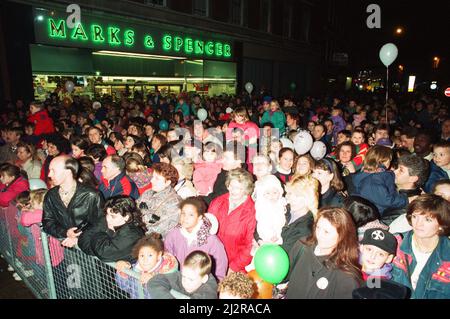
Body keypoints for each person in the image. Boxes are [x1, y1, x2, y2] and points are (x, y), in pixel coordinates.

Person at [286, 207, 362, 299]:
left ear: (342, 236)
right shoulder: (302, 246)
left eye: (326, 232)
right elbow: (286, 274)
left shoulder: (346, 276)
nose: (319, 235)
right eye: (318, 227)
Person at [391, 194, 450, 299]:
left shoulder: (447, 257)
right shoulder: (395, 243)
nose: (418, 224)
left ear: (441, 225)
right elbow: (373, 278)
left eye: (427, 220)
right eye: (415, 217)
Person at [42, 156, 104, 248]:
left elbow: (100, 225)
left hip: (88, 250)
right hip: (62, 248)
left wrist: (79, 238)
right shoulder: (51, 195)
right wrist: (65, 232)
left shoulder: (92, 195)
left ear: (68, 172)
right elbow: (47, 222)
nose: (49, 174)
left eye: (53, 170)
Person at [164, 197, 228, 280]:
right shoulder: (174, 234)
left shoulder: (211, 241)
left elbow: (219, 273)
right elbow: (167, 259)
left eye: (191, 215)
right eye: (183, 213)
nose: (185, 218)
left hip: (200, 286)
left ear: (199, 217)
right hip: (177, 280)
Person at [208, 168, 256, 273]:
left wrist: (233, 267)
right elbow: (206, 229)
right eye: (231, 186)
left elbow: (250, 246)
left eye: (238, 188)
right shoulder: (217, 202)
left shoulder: (252, 212)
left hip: (235, 266)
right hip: (213, 259)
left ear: (246, 189)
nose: (233, 191)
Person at [78, 195, 146, 262]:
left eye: (113, 216)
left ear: (126, 217)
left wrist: (104, 233)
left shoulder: (132, 235)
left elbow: (103, 252)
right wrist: (96, 249)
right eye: (107, 214)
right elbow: (83, 240)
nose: (108, 219)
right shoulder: (106, 221)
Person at [115, 233, 178, 299]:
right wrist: (123, 272)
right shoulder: (135, 269)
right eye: (142, 255)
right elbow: (126, 287)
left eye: (150, 255)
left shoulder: (168, 274)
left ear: (159, 255)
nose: (145, 260)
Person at [352, 145, 408, 215]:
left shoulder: (372, 174)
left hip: (372, 212)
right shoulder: (375, 177)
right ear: (386, 160)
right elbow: (385, 200)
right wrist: (406, 199)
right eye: (390, 160)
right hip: (373, 215)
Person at [147, 250, 218, 299]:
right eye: (184, 276)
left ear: (204, 279)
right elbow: (154, 282)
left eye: (191, 280)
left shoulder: (209, 294)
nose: (185, 282)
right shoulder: (186, 275)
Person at [137, 163, 182, 237]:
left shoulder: (174, 203)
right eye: (153, 177)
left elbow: (159, 231)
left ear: (168, 182)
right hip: (136, 232)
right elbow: (135, 209)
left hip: (153, 241)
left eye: (157, 178)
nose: (152, 180)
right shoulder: (148, 192)